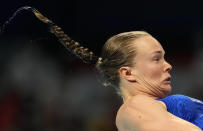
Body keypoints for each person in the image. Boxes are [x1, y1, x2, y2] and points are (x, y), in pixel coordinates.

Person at [3, 6, 203, 131]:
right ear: (127, 72)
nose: (168, 65)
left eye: (165, 58)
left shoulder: (153, 106)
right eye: (156, 59)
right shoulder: (135, 107)